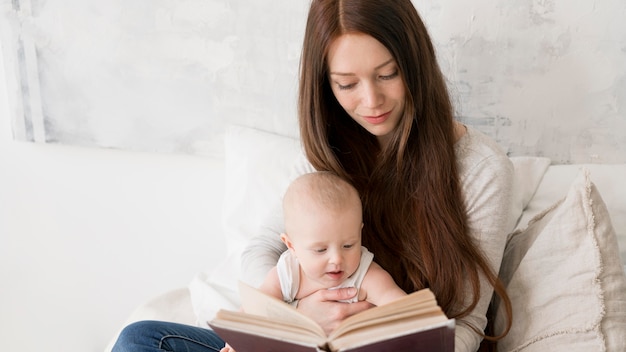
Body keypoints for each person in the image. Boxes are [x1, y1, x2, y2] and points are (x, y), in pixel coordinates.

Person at [112, 1, 515, 351]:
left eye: (388, 74)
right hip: (297, 339)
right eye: (347, 84)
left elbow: (467, 324)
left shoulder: (481, 168)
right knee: (141, 339)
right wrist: (301, 318)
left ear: (415, 64)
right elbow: (260, 253)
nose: (370, 101)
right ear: (326, 86)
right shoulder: (328, 152)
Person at [221, 171, 407, 352]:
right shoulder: (288, 272)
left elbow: (404, 309)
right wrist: (237, 341)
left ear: (360, 233)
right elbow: (257, 306)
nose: (336, 259)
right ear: (291, 246)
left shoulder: (366, 274)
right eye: (321, 250)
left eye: (349, 245)